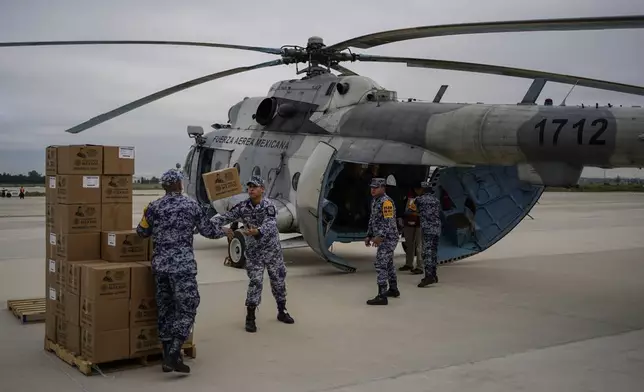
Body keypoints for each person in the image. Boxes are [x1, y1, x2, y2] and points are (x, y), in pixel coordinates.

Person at [136, 168, 219, 374]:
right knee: (189, 306)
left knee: (165, 309)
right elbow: (208, 231)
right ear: (178, 184)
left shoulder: (153, 207)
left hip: (161, 266)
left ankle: (166, 357)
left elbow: (141, 232)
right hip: (182, 267)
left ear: (165, 186)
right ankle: (174, 353)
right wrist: (225, 230)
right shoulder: (191, 205)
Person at [210, 175, 294, 332]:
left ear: (262, 189)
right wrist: (217, 227)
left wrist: (258, 231)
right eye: (249, 187)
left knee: (278, 280)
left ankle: (282, 311)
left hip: (271, 250)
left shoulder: (269, 206)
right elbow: (225, 217)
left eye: (254, 187)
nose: (251, 189)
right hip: (254, 251)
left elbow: (270, 224)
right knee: (255, 282)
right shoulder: (242, 207)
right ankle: (250, 317)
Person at [364, 177, 400, 305]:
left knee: (380, 263)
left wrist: (380, 237)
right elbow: (372, 219)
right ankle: (394, 289)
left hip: (388, 238)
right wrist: (369, 235)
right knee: (388, 263)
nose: (373, 190)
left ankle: (382, 295)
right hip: (383, 237)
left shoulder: (386, 202)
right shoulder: (375, 201)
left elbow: (387, 221)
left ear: (383, 188)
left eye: (376, 187)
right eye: (372, 187)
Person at [414, 181, 442, 287]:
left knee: (426, 253)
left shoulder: (419, 200)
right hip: (436, 229)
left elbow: (412, 210)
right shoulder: (436, 200)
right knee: (434, 252)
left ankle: (428, 276)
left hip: (427, 229)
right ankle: (434, 275)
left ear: (423, 189)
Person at [398, 186, 424, 274]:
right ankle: (409, 264)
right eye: (416, 188)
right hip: (408, 222)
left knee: (419, 245)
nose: (418, 190)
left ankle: (420, 266)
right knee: (409, 244)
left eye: (419, 188)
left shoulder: (425, 199)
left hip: (420, 223)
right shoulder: (408, 198)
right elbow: (403, 209)